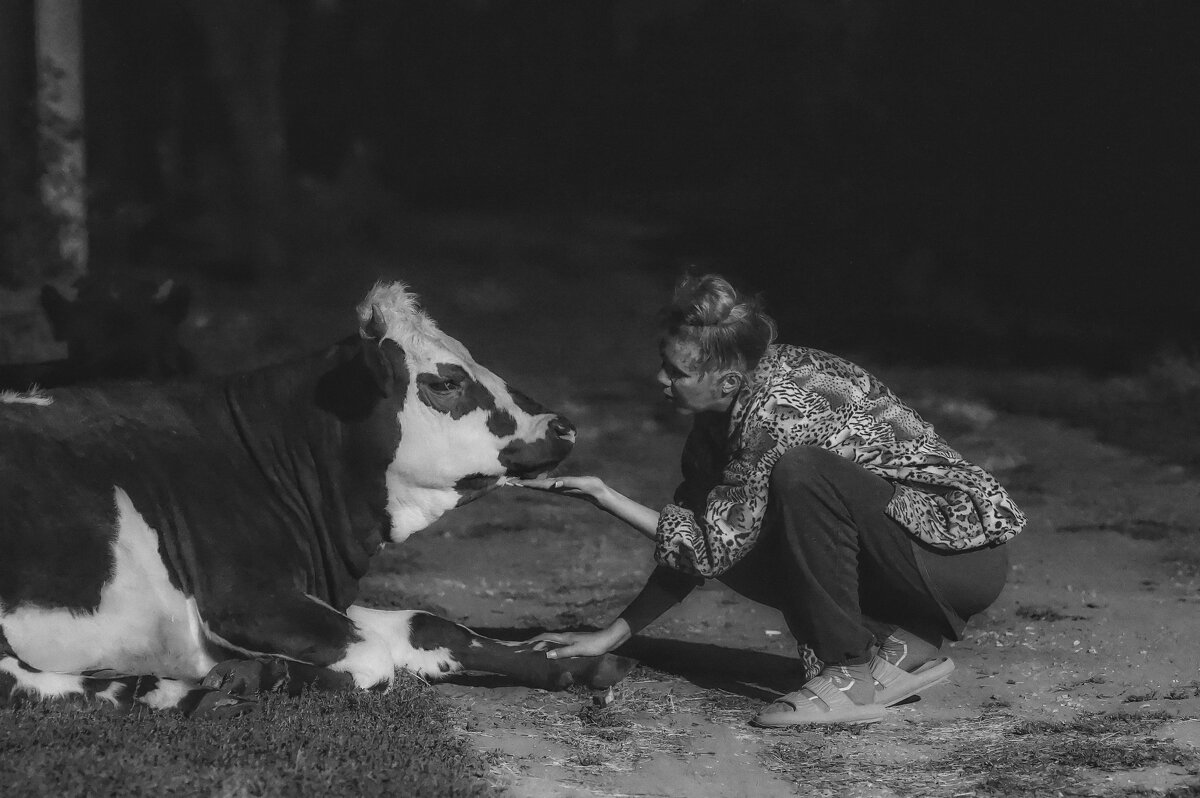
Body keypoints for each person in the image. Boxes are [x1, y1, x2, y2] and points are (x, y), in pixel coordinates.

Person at [511, 273, 1026, 726]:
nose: (660, 379)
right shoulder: (721, 420)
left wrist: (604, 497)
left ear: (728, 379)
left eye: (677, 372)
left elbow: (710, 548)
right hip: (907, 559)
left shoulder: (781, 407)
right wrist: (610, 636)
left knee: (801, 473)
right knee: (732, 522)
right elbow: (700, 542)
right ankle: (906, 642)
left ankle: (848, 673)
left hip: (958, 561)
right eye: (663, 363)